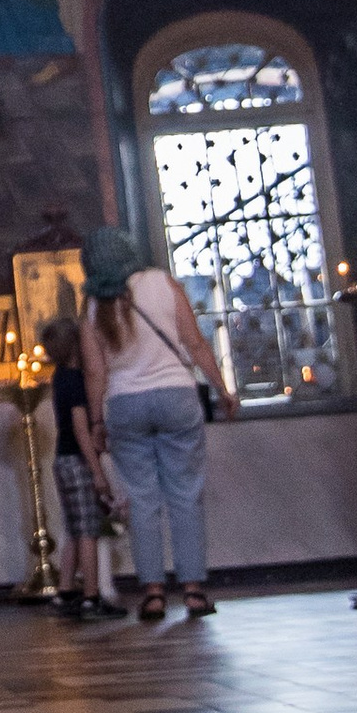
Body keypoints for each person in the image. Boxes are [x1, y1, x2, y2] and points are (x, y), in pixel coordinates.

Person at [79, 224, 234, 623]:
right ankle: (194, 590)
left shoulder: (94, 307)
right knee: (185, 494)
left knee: (142, 501)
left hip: (125, 405)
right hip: (176, 397)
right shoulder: (162, 283)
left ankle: (152, 594)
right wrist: (222, 389)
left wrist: (97, 420)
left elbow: (95, 374)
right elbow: (195, 343)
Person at [40, 311, 121, 621]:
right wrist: (97, 472)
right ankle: (91, 596)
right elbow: (79, 427)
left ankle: (65, 592)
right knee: (88, 531)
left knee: (74, 530)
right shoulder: (74, 380)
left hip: (64, 460)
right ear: (77, 346)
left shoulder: (60, 376)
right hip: (76, 460)